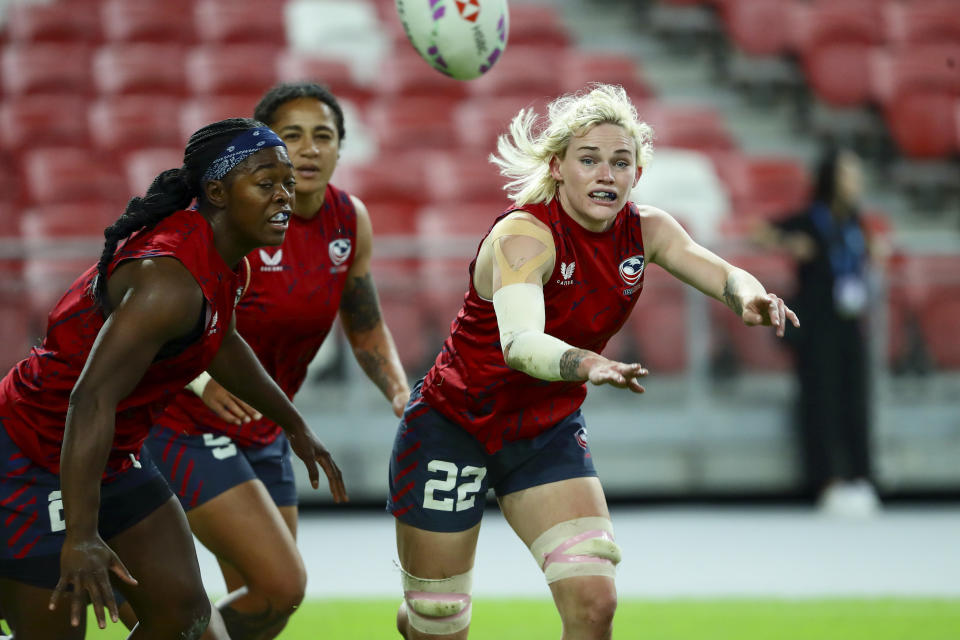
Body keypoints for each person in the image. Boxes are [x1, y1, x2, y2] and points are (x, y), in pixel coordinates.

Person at [385, 84, 799, 640]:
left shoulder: (647, 229)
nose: (606, 173)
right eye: (589, 159)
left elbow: (719, 271)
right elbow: (521, 343)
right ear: (557, 167)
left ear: (637, 174)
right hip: (453, 424)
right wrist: (587, 365)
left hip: (544, 428)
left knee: (595, 603)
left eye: (620, 162)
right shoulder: (523, 236)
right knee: (439, 620)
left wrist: (748, 295)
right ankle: (418, 620)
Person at [0, 117, 347, 639]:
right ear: (217, 191)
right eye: (265, 183)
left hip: (108, 456)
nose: (284, 197)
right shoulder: (168, 279)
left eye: (287, 185)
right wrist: (82, 534)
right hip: (29, 456)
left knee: (186, 617)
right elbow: (89, 400)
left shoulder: (227, 262)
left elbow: (219, 341)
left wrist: (293, 423)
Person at [134, 82, 410, 640]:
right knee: (281, 584)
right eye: (292, 136)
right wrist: (203, 379)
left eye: (323, 136)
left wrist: (404, 396)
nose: (309, 150)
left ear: (340, 148)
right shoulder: (230, 222)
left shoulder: (348, 221)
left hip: (266, 430)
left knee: (265, 608)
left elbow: (364, 323)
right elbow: (159, 318)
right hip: (184, 425)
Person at [756, 147, 880, 517]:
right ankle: (826, 481)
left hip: (850, 323)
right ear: (832, 179)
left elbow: (858, 257)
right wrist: (788, 244)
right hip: (817, 326)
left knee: (856, 400)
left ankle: (861, 477)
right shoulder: (812, 218)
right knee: (821, 402)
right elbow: (759, 231)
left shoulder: (855, 221)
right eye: (849, 175)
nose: (856, 182)